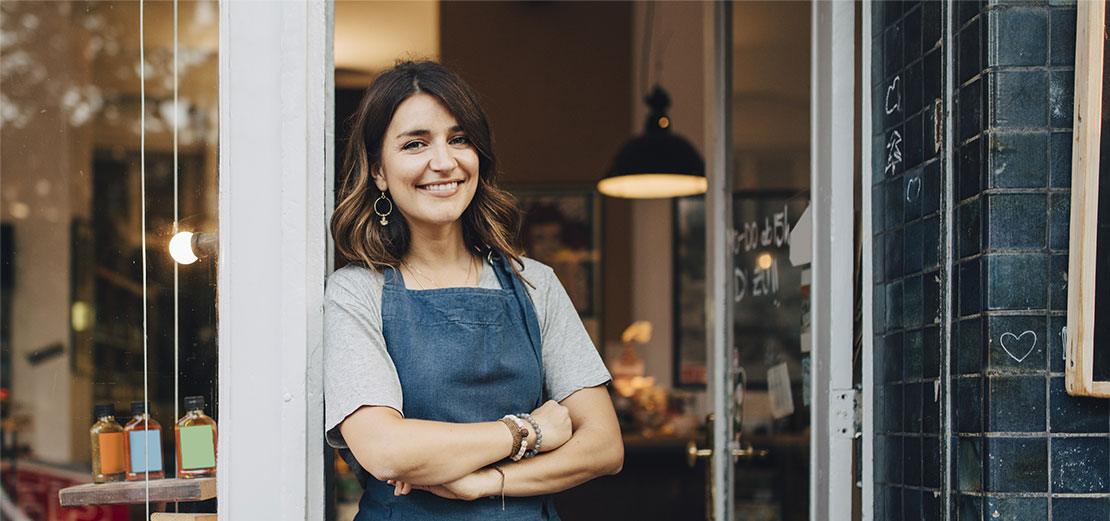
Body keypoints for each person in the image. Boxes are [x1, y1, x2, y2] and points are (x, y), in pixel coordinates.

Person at [324, 60, 623, 520]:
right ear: (379, 171)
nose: (444, 162)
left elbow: (603, 445)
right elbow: (385, 450)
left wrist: (485, 483)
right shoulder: (356, 293)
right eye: (415, 143)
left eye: (459, 139)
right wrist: (530, 430)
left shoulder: (535, 282)